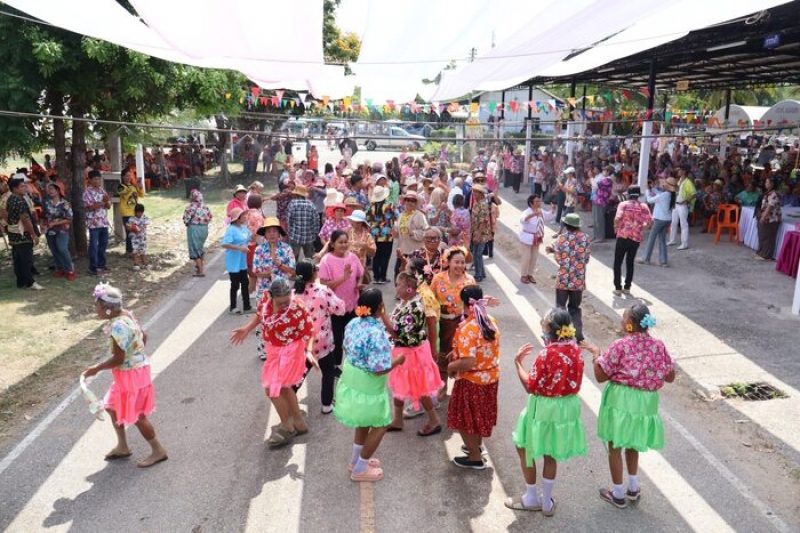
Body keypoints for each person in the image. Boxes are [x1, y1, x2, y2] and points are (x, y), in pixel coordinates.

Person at [582, 304, 675, 509]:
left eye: (624, 318)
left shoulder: (621, 345)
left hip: (621, 399)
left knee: (615, 445)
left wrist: (597, 355)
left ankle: (617, 493)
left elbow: (600, 376)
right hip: (646, 403)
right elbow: (670, 377)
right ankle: (633, 487)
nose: (622, 321)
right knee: (633, 442)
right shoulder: (658, 346)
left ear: (631, 324)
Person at [507, 308, 586, 516]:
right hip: (565, 407)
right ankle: (547, 503)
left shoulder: (547, 353)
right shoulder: (575, 350)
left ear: (550, 328)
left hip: (543, 406)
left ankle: (531, 497)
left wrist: (517, 363)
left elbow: (531, 385)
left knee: (524, 445)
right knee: (550, 454)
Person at [82, 282, 168, 468]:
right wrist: (136, 353)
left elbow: (119, 358)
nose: (95, 310)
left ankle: (158, 450)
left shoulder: (117, 327)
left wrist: (96, 368)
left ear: (107, 308)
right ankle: (122, 446)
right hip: (132, 372)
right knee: (112, 406)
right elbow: (144, 336)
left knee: (138, 416)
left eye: (97, 306)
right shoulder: (126, 314)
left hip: (131, 376)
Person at [231, 278, 318, 448]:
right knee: (284, 387)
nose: (285, 305)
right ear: (271, 296)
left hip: (290, 351)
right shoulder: (265, 300)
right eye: (280, 302)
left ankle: (287, 426)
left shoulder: (297, 307)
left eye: (287, 301)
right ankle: (299, 423)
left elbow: (310, 331)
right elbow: (260, 316)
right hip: (273, 350)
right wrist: (247, 329)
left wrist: (308, 352)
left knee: (271, 389)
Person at [334, 288, 405, 482]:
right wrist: (398, 361)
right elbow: (379, 369)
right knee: (382, 423)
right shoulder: (376, 332)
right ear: (381, 306)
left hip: (352, 378)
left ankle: (355, 460)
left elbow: (345, 347)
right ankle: (360, 469)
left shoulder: (353, 323)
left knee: (363, 421)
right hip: (368, 384)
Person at [447, 285, 500, 470]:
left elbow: (468, 362)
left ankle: (475, 457)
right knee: (479, 416)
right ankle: (475, 446)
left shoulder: (468, 328)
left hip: (472, 380)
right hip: (490, 377)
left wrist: (451, 366)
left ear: (464, 302)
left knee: (464, 419)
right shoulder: (490, 321)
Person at [386, 271, 444, 436]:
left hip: (412, 355)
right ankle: (398, 419)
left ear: (409, 288)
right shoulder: (405, 302)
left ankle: (434, 421)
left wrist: (382, 316)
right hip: (403, 353)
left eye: (399, 285)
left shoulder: (415, 308)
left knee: (420, 389)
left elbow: (398, 334)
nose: (396, 288)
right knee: (399, 385)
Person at [318, 230, 366, 413]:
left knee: (353, 339)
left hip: (353, 305)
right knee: (337, 341)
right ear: (332, 244)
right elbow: (324, 284)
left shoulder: (352, 257)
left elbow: (361, 273)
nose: (344, 245)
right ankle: (336, 368)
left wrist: (359, 283)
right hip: (335, 308)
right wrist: (343, 278)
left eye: (346, 241)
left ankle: (355, 370)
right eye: (340, 242)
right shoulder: (326, 261)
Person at [293, 259, 346, 409]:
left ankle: (289, 401)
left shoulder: (293, 294)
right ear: (313, 274)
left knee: (300, 373)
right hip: (322, 341)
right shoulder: (323, 291)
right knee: (328, 372)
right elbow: (340, 309)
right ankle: (326, 404)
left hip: (302, 342)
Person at [430, 247, 475, 398]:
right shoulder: (438, 278)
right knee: (442, 357)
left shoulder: (470, 280)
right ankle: (441, 388)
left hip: (462, 325)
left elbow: (473, 304)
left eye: (462, 262)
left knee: (460, 358)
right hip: (442, 324)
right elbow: (430, 301)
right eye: (456, 262)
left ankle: (459, 392)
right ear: (448, 262)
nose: (460, 266)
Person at [546, 213, 590, 342]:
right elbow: (586, 259)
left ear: (566, 225)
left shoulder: (561, 238)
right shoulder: (586, 238)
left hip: (563, 280)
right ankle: (577, 334)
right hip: (578, 280)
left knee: (560, 308)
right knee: (574, 308)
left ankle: (560, 335)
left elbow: (558, 259)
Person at [612, 186, 652, 295]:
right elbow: (649, 222)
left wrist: (616, 227)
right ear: (639, 195)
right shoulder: (643, 206)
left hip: (623, 237)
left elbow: (617, 218)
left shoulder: (623, 204)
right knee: (630, 263)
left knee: (617, 262)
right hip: (635, 238)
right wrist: (640, 226)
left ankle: (618, 288)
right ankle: (627, 287)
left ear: (628, 194)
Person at [6, 177, 43, 289]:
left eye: (25, 185)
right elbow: (25, 219)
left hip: (14, 234)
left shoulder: (11, 198)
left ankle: (21, 281)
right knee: (26, 258)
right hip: (22, 234)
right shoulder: (18, 201)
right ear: (14, 189)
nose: (25, 188)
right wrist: (33, 234)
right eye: (22, 186)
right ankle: (30, 282)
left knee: (18, 258)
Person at [221, 208, 252, 315]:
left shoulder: (243, 228)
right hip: (233, 263)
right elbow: (225, 244)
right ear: (238, 218)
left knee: (245, 283)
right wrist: (239, 248)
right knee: (235, 285)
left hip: (242, 262)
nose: (245, 216)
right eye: (243, 215)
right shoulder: (231, 230)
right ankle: (233, 307)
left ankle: (247, 306)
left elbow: (250, 237)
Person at [518, 194, 555, 284]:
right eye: (537, 201)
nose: (539, 202)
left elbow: (548, 216)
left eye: (539, 201)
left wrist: (553, 210)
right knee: (526, 257)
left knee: (534, 257)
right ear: (531, 203)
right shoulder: (527, 212)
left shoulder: (540, 211)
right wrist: (533, 214)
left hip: (537, 236)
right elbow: (522, 220)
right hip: (527, 237)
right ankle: (523, 275)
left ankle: (530, 274)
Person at [639, 177, 676, 267]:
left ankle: (645, 258)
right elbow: (659, 194)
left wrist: (647, 190)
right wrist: (652, 188)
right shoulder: (670, 195)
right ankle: (663, 261)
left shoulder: (664, 195)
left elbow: (650, 200)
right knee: (662, 240)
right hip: (667, 220)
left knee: (651, 238)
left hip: (659, 219)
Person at [42, 181, 74, 281]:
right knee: (54, 250)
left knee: (62, 248)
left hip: (62, 230)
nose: (49, 191)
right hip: (49, 230)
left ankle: (70, 270)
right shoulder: (46, 202)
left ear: (58, 190)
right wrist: (42, 225)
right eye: (48, 189)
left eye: (52, 189)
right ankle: (61, 269)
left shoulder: (65, 203)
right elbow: (43, 215)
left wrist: (55, 223)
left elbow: (69, 219)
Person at [393, 192, 428, 281]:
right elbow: (397, 232)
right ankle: (399, 289)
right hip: (402, 250)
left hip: (415, 251)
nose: (409, 202)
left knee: (415, 275)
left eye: (412, 200)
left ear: (416, 203)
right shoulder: (401, 215)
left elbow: (426, 232)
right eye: (407, 200)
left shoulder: (420, 215)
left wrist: (413, 233)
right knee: (399, 273)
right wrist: (395, 233)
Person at [83, 170, 112, 276]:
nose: (97, 181)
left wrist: (107, 201)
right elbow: (90, 207)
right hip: (93, 223)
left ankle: (101, 264)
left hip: (103, 222)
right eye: (95, 179)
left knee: (103, 244)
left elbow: (108, 206)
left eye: (99, 179)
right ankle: (93, 267)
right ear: (90, 180)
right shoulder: (87, 193)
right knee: (93, 246)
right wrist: (103, 202)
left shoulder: (102, 190)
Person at [183, 189, 213, 277]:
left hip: (194, 229)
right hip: (204, 229)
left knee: (195, 249)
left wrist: (189, 223)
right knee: (200, 247)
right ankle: (200, 265)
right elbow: (210, 217)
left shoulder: (190, 207)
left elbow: (186, 219)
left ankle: (200, 271)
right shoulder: (205, 207)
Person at [286, 184, 319, 261]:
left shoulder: (292, 204)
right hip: (309, 236)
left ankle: (294, 268)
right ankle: (308, 268)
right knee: (309, 258)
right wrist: (314, 234)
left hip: (295, 236)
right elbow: (316, 221)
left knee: (293, 258)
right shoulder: (311, 205)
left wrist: (290, 232)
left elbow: (289, 220)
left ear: (296, 194)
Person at [668, 165, 696, 250]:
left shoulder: (688, 182)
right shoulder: (679, 180)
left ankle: (684, 243)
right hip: (676, 205)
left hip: (682, 205)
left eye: (680, 170)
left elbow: (694, 193)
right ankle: (672, 240)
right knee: (673, 223)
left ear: (684, 171)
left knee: (683, 224)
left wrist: (686, 201)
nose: (678, 171)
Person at [469, 185, 493, 282]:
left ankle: (478, 275)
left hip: (481, 234)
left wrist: (477, 236)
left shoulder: (482, 205)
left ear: (480, 193)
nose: (473, 194)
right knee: (477, 254)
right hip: (476, 232)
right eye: (473, 192)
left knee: (477, 254)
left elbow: (483, 222)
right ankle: (482, 273)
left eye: (475, 192)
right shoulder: (477, 203)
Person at [118, 168, 143, 257]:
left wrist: (140, 187)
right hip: (126, 213)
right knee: (130, 232)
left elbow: (141, 194)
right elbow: (123, 191)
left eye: (130, 176)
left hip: (134, 212)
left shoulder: (133, 186)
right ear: (123, 177)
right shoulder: (121, 186)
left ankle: (133, 250)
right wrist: (133, 187)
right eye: (126, 176)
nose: (128, 177)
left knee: (135, 232)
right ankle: (129, 251)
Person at [756, 177, 782, 260]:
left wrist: (763, 217)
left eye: (767, 182)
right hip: (766, 217)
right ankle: (761, 252)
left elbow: (770, 207)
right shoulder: (768, 193)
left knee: (768, 237)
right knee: (763, 236)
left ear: (772, 184)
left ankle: (766, 255)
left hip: (771, 218)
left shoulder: (774, 194)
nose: (765, 184)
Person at [127, 204, 149, 271]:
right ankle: (135, 264)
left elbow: (144, 226)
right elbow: (128, 227)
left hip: (142, 238)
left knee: (143, 250)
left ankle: (144, 263)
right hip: (134, 238)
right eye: (138, 212)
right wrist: (132, 229)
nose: (139, 214)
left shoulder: (145, 218)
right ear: (135, 211)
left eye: (141, 212)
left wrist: (139, 230)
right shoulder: (131, 219)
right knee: (135, 251)